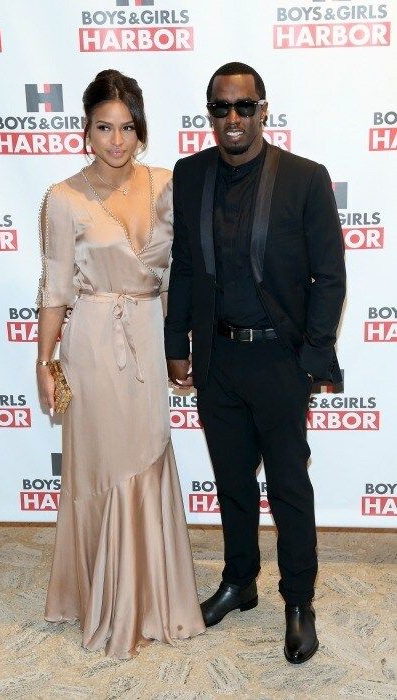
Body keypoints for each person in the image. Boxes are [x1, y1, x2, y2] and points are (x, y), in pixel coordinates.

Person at [165, 62, 346, 664]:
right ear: (210, 114)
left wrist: (312, 359)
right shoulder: (190, 176)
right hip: (217, 358)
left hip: (280, 361)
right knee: (233, 482)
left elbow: (330, 277)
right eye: (221, 109)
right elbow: (185, 269)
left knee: (289, 487)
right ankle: (240, 581)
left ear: (264, 110)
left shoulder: (304, 179)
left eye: (244, 107)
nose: (233, 119)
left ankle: (299, 601)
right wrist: (177, 345)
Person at [36, 69, 204, 659]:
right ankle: (104, 601)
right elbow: (55, 286)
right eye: (103, 128)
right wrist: (43, 358)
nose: (115, 140)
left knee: (149, 454)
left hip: (150, 336)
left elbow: (185, 273)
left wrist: (185, 344)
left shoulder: (168, 184)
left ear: (141, 129)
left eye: (126, 127)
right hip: (90, 344)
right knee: (105, 466)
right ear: (85, 130)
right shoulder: (63, 197)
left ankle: (155, 597)